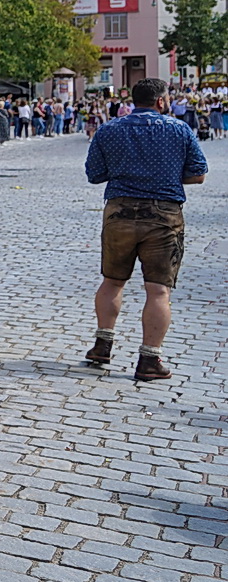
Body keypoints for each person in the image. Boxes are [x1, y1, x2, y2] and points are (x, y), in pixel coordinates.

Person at [82, 78, 206, 381]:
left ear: (133, 100)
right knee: (158, 290)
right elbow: (199, 173)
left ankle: (102, 344)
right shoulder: (179, 129)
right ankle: (149, 359)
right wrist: (169, 177)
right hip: (163, 215)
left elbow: (95, 174)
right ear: (161, 102)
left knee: (112, 281)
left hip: (119, 211)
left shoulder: (109, 129)